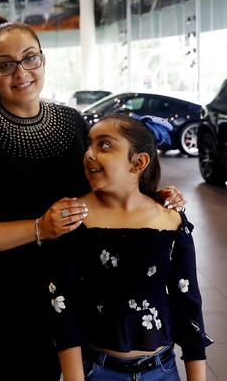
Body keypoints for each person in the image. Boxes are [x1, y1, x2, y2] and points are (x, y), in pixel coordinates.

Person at [0, 17, 185, 381]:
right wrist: (40, 227)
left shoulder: (72, 121)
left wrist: (151, 199)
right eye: (5, 65)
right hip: (16, 304)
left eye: (29, 59)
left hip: (85, 294)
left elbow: (103, 182)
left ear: (43, 60)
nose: (21, 72)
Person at [48, 114, 212, 381]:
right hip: (97, 371)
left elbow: (188, 307)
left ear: (138, 162)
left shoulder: (171, 221)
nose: (89, 154)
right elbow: (63, 308)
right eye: (89, 144)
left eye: (104, 145)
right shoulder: (74, 219)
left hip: (162, 370)